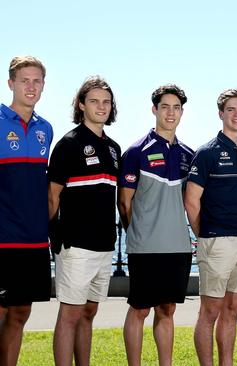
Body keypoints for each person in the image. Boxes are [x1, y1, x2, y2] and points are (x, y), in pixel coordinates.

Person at [118, 84, 194, 366]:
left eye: (176, 107)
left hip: (178, 247)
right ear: (155, 110)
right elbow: (124, 202)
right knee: (139, 310)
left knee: (167, 308)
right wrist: (137, 232)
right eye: (165, 107)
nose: (171, 112)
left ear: (182, 112)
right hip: (145, 247)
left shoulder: (188, 154)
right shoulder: (136, 152)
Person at [48, 76, 121, 366]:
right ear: (81, 105)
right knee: (70, 314)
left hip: (105, 244)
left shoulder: (114, 148)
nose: (101, 106)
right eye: (94, 101)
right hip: (75, 245)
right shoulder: (68, 144)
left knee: (89, 313)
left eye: (106, 102)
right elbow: (52, 198)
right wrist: (53, 238)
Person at [184, 89, 237, 366]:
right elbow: (191, 202)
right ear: (221, 114)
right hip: (216, 240)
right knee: (210, 310)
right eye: (231, 110)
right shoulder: (207, 153)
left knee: (233, 309)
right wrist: (205, 235)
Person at [0, 55, 53, 366]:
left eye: (37, 81)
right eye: (24, 80)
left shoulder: (45, 128)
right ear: (11, 84)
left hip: (34, 239)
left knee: (21, 312)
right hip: (3, 237)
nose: (31, 86)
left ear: (43, 86)